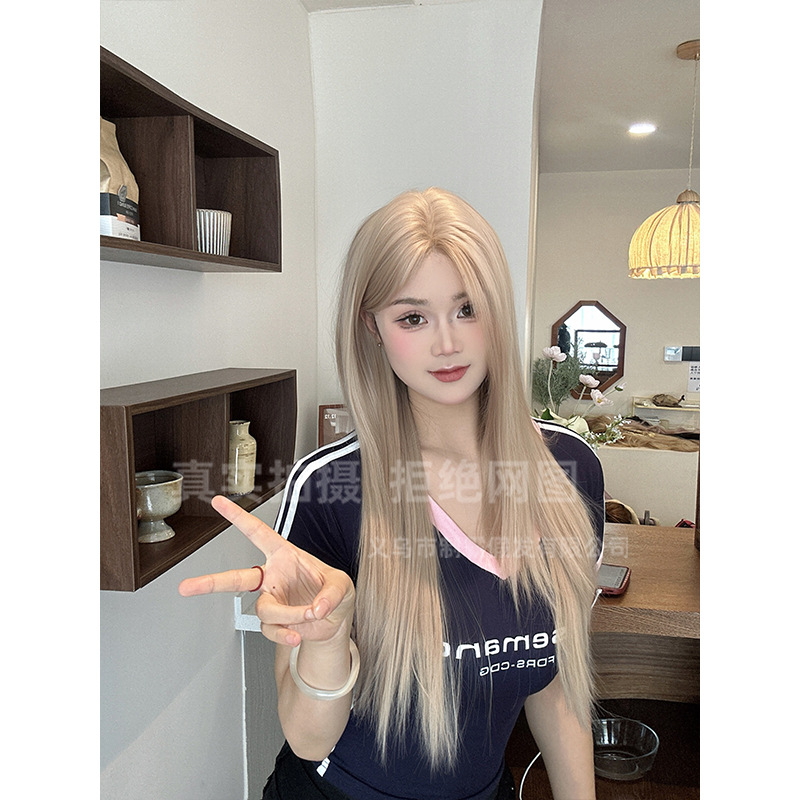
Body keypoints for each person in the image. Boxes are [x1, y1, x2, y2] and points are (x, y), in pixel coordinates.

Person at [180, 188, 605, 800]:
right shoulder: (332, 489)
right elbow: (308, 738)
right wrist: (328, 638)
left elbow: (556, 683)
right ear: (373, 328)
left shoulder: (571, 471)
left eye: (468, 308)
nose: (447, 343)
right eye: (412, 318)